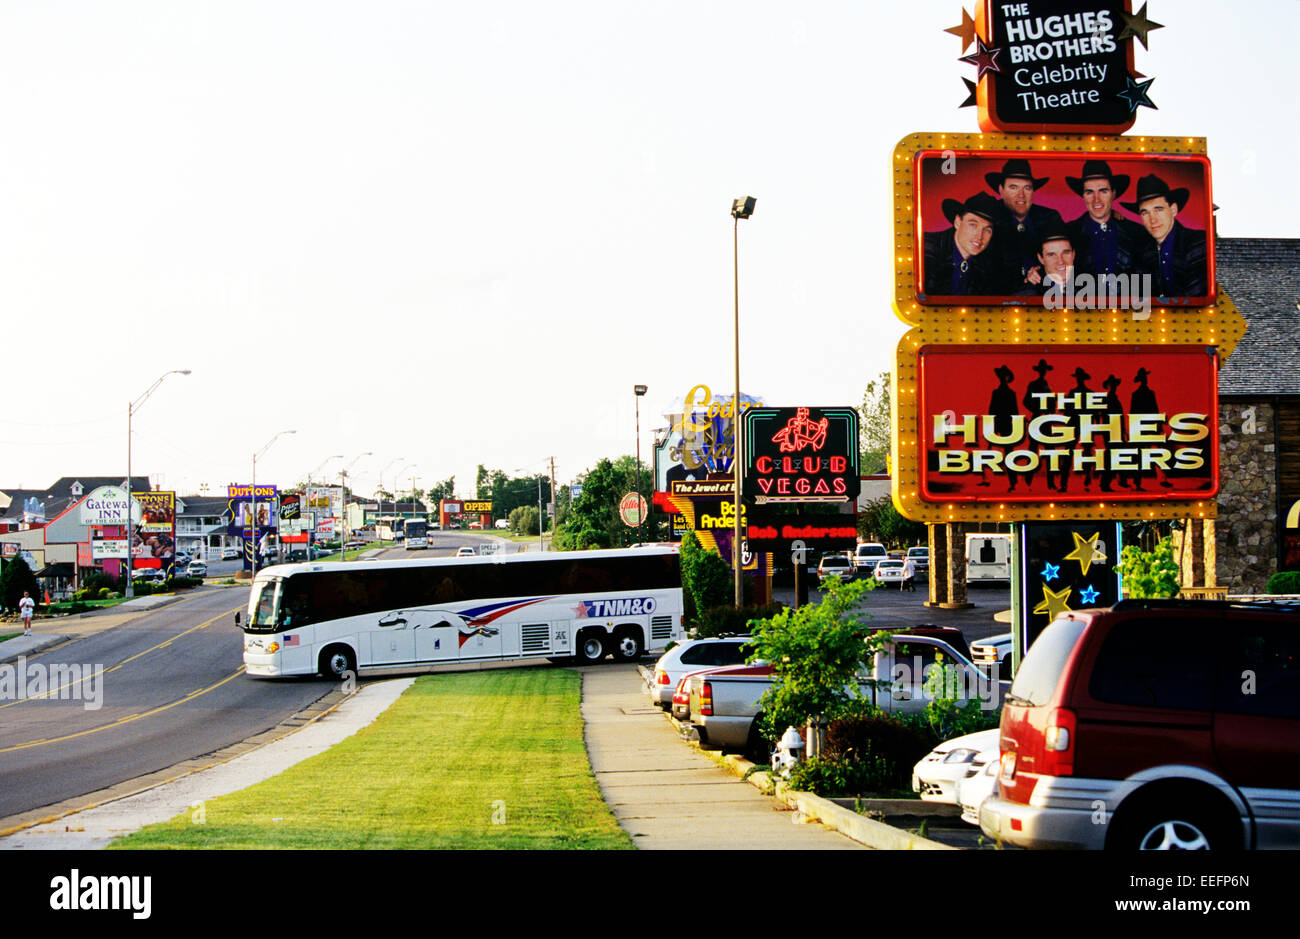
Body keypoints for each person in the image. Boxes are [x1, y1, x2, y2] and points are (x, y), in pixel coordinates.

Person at [984, 159, 1064, 293]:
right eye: (1013, 187)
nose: (1021, 195)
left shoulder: (1050, 218)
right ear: (1001, 190)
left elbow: (1067, 256)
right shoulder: (987, 219)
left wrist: (1041, 271)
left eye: (1027, 188)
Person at [1123, 173, 1208, 298]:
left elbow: (1197, 295)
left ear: (1173, 209)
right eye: (1145, 212)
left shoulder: (1198, 243)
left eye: (1158, 210)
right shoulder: (1142, 254)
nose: (1153, 220)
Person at [1064, 161, 1145, 279]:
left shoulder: (1136, 232)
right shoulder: (1068, 233)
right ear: (1083, 195)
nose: (1096, 200)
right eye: (1089, 192)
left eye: (1103, 191)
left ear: (1113, 193)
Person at [922, 192, 1000, 296]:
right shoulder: (926, 248)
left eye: (987, 230)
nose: (979, 236)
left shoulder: (985, 266)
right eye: (973, 225)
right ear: (958, 222)